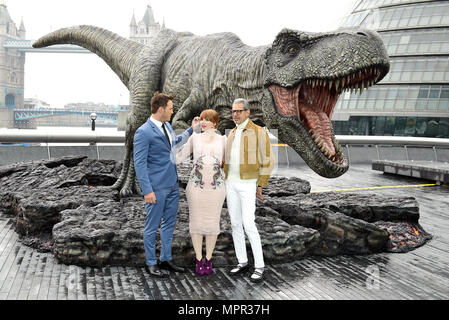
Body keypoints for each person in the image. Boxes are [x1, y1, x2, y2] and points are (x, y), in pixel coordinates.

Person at [133, 91, 200, 278]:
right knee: (152, 226)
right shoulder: (143, 132)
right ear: (160, 109)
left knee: (170, 223)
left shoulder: (168, 127)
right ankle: (151, 263)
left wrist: (190, 130)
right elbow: (139, 164)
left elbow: (175, 143)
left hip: (172, 185)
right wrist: (147, 191)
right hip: (156, 188)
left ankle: (166, 258)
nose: (173, 112)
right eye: (170, 109)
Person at [223, 98, 275, 283]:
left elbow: (268, 161)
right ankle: (242, 261)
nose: (235, 114)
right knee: (235, 224)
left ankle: (259, 265)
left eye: (239, 111)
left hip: (248, 184)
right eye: (233, 111)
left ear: (247, 112)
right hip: (231, 183)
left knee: (249, 224)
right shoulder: (232, 133)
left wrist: (261, 184)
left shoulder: (259, 132)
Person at [176, 109, 227, 275]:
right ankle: (199, 259)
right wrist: (191, 129)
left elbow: (231, 162)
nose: (203, 122)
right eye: (202, 119)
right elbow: (178, 156)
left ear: (215, 122)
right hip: (195, 188)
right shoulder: (194, 138)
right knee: (196, 223)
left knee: (213, 223)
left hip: (216, 188)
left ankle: (209, 258)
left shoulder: (223, 140)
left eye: (207, 119)